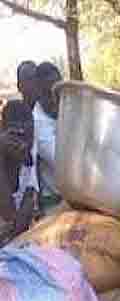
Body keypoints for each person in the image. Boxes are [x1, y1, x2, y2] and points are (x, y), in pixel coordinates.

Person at [0, 100, 38, 242]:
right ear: (3, 131)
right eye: (17, 135)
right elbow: (8, 214)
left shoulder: (28, 157)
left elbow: (20, 224)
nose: (23, 145)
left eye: (29, 137)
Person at [32, 62, 62, 214]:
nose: (54, 99)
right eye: (47, 93)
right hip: (55, 205)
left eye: (57, 93)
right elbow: (61, 161)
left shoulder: (65, 110)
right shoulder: (37, 122)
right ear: (38, 92)